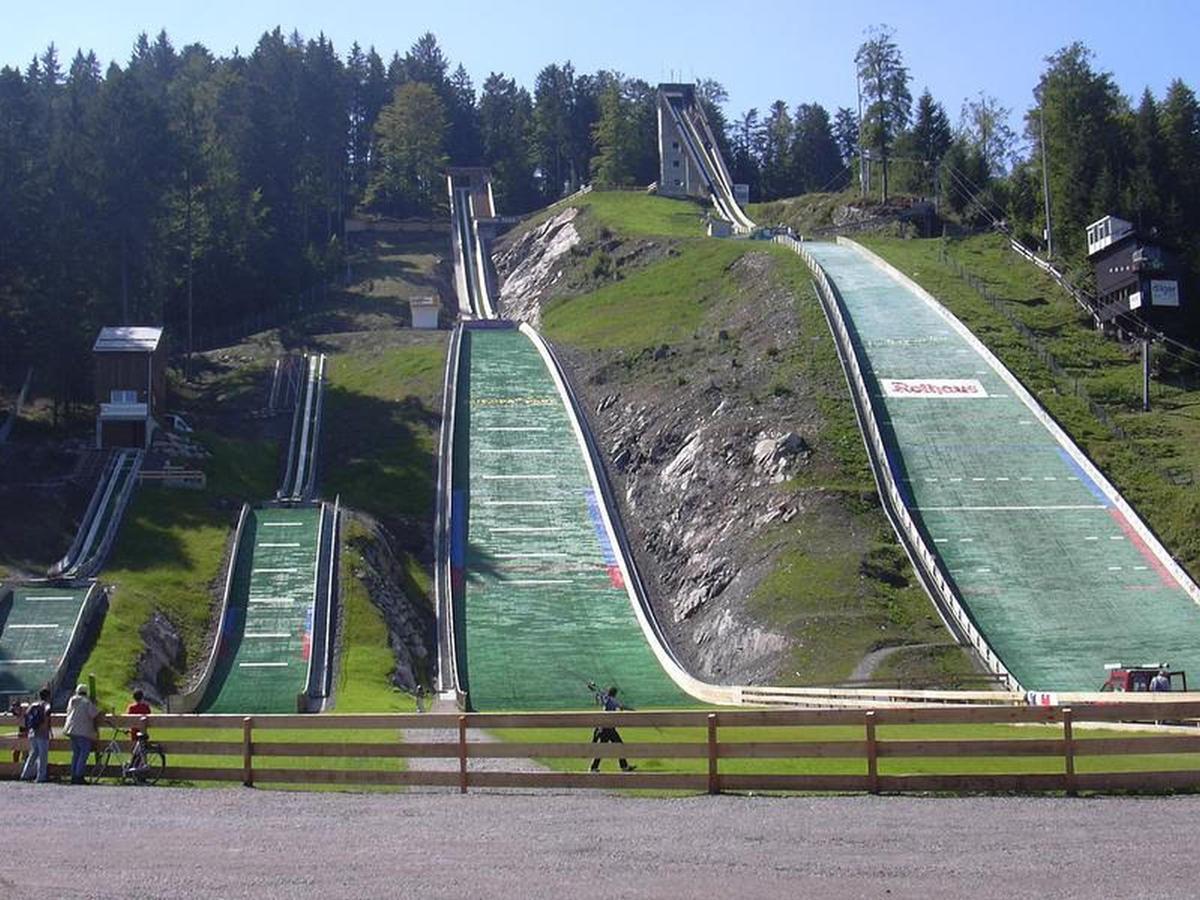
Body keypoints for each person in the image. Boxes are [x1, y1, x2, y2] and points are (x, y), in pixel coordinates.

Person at [587, 682, 635, 773]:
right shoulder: (613, 700)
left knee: (605, 747)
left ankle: (594, 767)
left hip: (604, 727)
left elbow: (596, 691)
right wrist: (632, 710)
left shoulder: (605, 697)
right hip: (608, 728)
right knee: (619, 746)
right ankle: (623, 766)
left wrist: (591, 685)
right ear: (614, 693)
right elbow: (622, 706)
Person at [63, 684, 100, 785]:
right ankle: (79, 776)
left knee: (76, 754)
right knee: (84, 753)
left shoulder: (72, 700)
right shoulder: (86, 702)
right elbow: (94, 714)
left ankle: (73, 775)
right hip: (82, 731)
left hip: (71, 730)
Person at [20, 687, 53, 783]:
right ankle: (41, 777)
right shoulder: (46, 705)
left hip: (32, 732)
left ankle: (25, 774)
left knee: (33, 754)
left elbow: (26, 716)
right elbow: (47, 713)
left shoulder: (33, 705)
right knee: (43, 756)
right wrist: (47, 728)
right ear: (48, 696)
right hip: (42, 733)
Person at [126, 689, 152, 768]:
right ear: (142, 697)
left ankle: (134, 769)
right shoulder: (146, 707)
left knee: (135, 753)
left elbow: (128, 719)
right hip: (143, 732)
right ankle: (141, 772)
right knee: (143, 754)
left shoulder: (131, 708)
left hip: (134, 733)